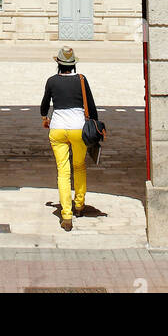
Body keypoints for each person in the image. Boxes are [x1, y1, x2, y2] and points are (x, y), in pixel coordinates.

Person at [40, 45, 98, 231]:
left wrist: (44, 118)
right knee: (79, 166)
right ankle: (79, 204)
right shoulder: (81, 79)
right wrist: (95, 126)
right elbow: (91, 104)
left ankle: (66, 215)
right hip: (77, 128)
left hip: (57, 129)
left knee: (62, 171)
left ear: (58, 63)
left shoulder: (51, 81)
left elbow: (44, 105)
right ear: (73, 64)